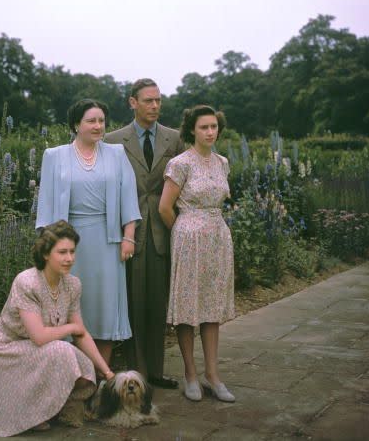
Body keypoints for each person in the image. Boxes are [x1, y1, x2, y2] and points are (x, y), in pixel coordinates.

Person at [0, 220, 115, 437]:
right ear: (46, 254)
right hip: (7, 350)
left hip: (41, 350)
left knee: (84, 365)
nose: (69, 258)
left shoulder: (72, 285)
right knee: (62, 352)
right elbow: (40, 336)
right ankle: (34, 413)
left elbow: (80, 333)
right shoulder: (27, 282)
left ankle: (55, 409)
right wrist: (71, 326)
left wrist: (107, 372)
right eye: (62, 252)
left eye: (72, 251)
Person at [36, 99, 141, 365]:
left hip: (107, 242)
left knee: (104, 308)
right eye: (91, 121)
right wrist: (52, 249)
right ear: (75, 125)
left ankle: (99, 376)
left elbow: (129, 196)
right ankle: (72, 373)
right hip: (68, 244)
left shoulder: (116, 153)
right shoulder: (55, 156)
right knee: (69, 306)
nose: (98, 126)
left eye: (101, 121)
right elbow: (46, 204)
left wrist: (128, 237)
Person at [104, 79, 184, 389]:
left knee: (157, 302)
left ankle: (156, 371)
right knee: (133, 302)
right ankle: (136, 373)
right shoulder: (112, 140)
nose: (154, 106)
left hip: (162, 230)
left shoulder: (173, 139)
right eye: (148, 100)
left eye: (158, 101)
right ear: (132, 102)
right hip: (128, 230)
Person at [158, 105, 235, 402]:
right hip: (189, 239)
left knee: (212, 308)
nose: (210, 132)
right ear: (192, 129)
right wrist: (185, 230)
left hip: (217, 238)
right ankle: (190, 374)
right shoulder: (181, 163)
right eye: (204, 127)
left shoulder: (222, 162)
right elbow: (165, 207)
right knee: (188, 308)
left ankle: (213, 376)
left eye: (214, 126)